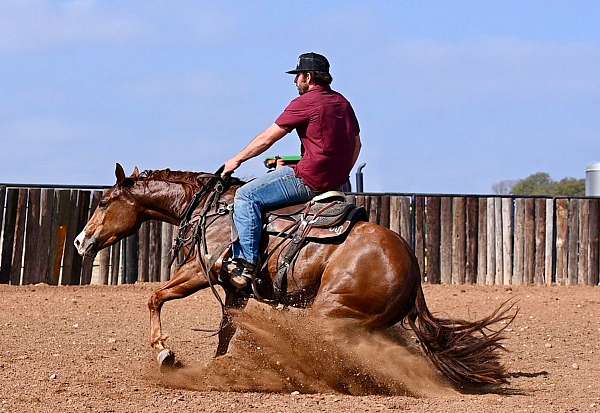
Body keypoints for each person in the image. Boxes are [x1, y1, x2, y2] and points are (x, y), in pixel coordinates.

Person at [221, 52, 362, 289]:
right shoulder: (342, 103)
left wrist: (237, 160)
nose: (295, 81)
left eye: (297, 76)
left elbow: (267, 139)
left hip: (308, 179)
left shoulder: (305, 102)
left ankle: (247, 264)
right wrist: (340, 173)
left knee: (245, 196)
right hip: (337, 183)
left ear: (308, 77)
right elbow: (357, 144)